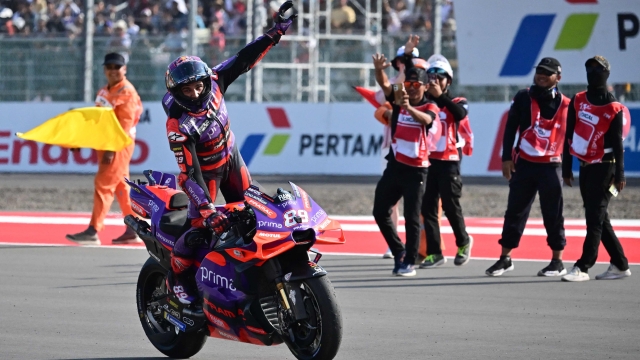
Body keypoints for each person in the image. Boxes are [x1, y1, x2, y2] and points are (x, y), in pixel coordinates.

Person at [163, 0, 296, 304]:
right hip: (204, 172)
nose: (195, 93)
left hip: (231, 158)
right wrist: (207, 209)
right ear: (177, 93)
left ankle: (257, 271)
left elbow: (244, 58)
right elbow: (188, 172)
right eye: (187, 90)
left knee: (258, 212)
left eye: (197, 86)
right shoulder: (178, 124)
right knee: (202, 229)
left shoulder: (215, 81)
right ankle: (177, 279)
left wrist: (275, 33)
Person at [485, 57, 569, 277]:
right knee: (514, 211)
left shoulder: (568, 105)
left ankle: (557, 261)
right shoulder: (523, 97)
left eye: (547, 72)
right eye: (539, 71)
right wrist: (506, 158)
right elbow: (510, 127)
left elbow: (571, 141)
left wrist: (568, 168)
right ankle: (505, 258)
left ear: (558, 78)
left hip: (551, 167)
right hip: (524, 165)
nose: (541, 75)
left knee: (553, 213)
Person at [371, 35, 440, 277]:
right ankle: (398, 250)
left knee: (412, 216)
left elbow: (427, 121)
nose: (410, 88)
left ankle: (409, 261)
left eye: (415, 85)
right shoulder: (400, 97)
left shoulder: (430, 106)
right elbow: (386, 87)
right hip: (396, 165)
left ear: (423, 87)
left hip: (417, 169)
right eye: (408, 84)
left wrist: (409, 107)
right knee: (380, 211)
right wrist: (379, 71)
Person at [561, 56, 632, 282]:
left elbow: (618, 145)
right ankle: (620, 264)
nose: (592, 71)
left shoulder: (614, 108)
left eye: (598, 69)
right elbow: (568, 135)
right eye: (589, 68)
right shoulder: (578, 100)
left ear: (606, 73)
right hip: (585, 168)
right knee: (598, 216)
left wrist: (620, 175)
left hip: (606, 169)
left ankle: (583, 266)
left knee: (595, 217)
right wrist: (566, 168)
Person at [66, 52, 143, 245]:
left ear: (124, 69)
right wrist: (79, 140)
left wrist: (111, 148)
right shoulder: (103, 91)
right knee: (121, 187)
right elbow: (97, 121)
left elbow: (124, 125)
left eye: (117, 67)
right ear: (104, 69)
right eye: (109, 67)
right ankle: (134, 228)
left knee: (103, 184)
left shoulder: (127, 92)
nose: (113, 71)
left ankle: (93, 230)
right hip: (107, 143)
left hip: (117, 145)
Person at [419, 54, 474, 268]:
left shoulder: (458, 101)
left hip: (450, 160)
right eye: (431, 76)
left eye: (440, 76)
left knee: (451, 206)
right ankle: (435, 252)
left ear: (448, 80)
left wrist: (440, 96)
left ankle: (463, 242)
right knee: (428, 208)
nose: (435, 80)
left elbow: (459, 114)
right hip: (428, 161)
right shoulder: (425, 104)